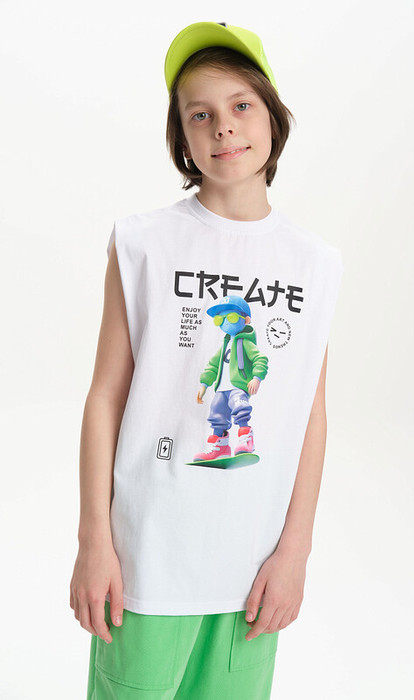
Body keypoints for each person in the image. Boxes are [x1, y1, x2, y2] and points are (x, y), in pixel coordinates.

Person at [70, 21, 344, 700]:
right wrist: (95, 540)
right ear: (182, 138)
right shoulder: (143, 243)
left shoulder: (314, 264)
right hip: (145, 563)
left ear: (272, 116)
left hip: (251, 574)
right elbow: (106, 396)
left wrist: (296, 552)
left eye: (241, 105)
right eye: (201, 114)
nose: (224, 126)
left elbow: (310, 415)